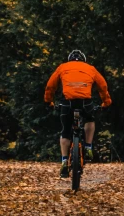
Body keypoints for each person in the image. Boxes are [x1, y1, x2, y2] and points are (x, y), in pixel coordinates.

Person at [44, 50, 112, 178]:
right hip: (85, 103)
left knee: (65, 131)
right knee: (90, 119)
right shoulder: (90, 68)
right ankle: (88, 146)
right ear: (83, 60)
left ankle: (64, 161)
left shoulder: (62, 67)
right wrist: (106, 103)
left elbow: (50, 86)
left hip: (67, 103)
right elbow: (102, 85)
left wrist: (49, 102)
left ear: (69, 59)